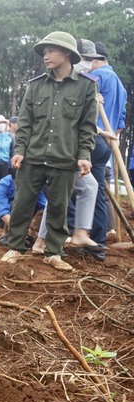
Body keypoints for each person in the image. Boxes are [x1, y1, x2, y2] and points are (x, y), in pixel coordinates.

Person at [1, 31, 98, 270]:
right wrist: (20, 150)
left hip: (64, 158)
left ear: (67, 53)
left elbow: (87, 126)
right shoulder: (35, 87)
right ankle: (15, 247)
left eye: (51, 50)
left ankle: (54, 252)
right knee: (22, 203)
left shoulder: (86, 87)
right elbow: (25, 123)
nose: (46, 56)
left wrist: (84, 156)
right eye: (44, 52)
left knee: (58, 207)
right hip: (33, 157)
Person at [84, 40, 128, 260]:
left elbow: (83, 106)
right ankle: (97, 244)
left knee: (77, 189)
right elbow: (120, 122)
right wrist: (112, 138)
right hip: (107, 143)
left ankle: (76, 235)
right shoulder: (121, 85)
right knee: (98, 192)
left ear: (95, 59)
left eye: (86, 59)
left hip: (90, 139)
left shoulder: (96, 77)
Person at [0, 171, 47, 247]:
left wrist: (34, 223)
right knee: (16, 204)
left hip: (24, 215)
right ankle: (6, 233)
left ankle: (31, 233)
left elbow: (44, 206)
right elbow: (3, 212)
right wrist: (20, 229)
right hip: (1, 216)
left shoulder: (33, 183)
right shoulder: (4, 184)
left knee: (33, 202)